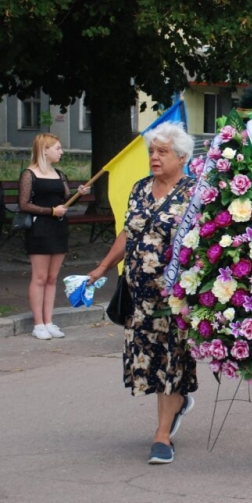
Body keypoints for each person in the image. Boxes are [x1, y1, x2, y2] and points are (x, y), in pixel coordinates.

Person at [86, 122, 197, 465]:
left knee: (171, 360)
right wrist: (102, 267)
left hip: (175, 297)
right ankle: (177, 403)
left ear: (182, 157)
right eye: (152, 151)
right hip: (139, 296)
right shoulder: (139, 189)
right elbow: (128, 233)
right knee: (148, 362)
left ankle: (162, 436)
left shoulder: (195, 192)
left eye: (162, 151)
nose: (154, 157)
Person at [18, 133, 89, 340]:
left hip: (59, 229)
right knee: (39, 278)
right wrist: (51, 211)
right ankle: (37, 324)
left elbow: (66, 201)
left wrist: (79, 194)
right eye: (57, 148)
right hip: (40, 229)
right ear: (45, 150)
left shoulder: (59, 174)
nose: (61, 151)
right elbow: (24, 205)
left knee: (52, 278)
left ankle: (49, 321)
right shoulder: (29, 174)